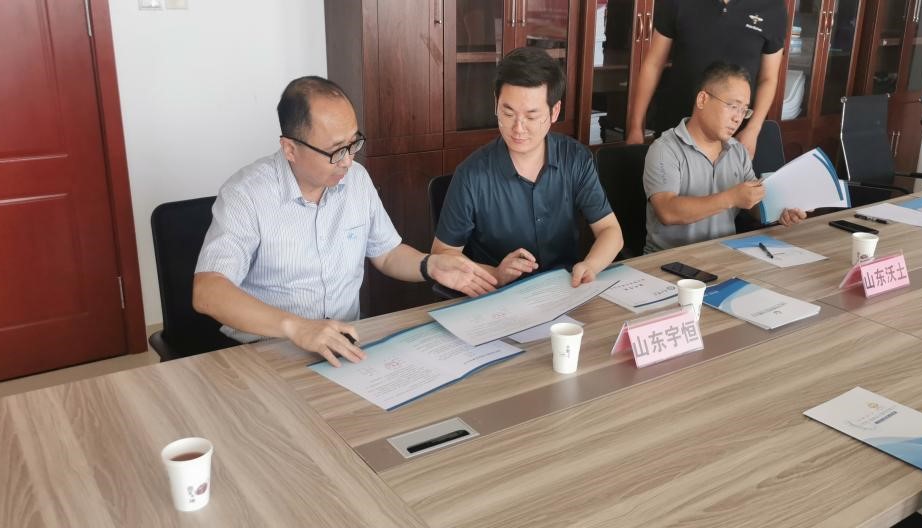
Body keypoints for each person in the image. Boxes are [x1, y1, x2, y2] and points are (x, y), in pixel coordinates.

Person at [193, 76, 496, 367]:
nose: (349, 161)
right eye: (337, 150)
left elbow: (387, 254)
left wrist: (429, 265)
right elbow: (207, 291)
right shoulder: (246, 195)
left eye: (354, 143)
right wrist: (296, 327)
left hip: (343, 347)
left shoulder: (356, 181)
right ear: (290, 149)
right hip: (263, 352)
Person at [432, 47, 623, 287]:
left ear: (555, 111)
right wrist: (496, 274)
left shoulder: (575, 159)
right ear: (496, 103)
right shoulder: (471, 175)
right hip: (500, 297)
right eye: (508, 113)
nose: (518, 128)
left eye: (531, 117)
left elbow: (610, 231)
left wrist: (591, 265)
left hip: (566, 289)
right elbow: (442, 255)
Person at [644, 62, 804, 253]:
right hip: (669, 260)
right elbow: (667, 211)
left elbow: (751, 204)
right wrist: (731, 198)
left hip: (724, 255)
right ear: (702, 99)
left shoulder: (737, 150)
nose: (738, 118)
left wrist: (779, 211)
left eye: (744, 110)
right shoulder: (665, 149)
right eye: (733, 106)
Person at [625, 0, 786, 157]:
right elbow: (653, 64)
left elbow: (768, 79)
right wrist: (635, 126)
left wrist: (753, 129)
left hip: (735, 135)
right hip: (677, 128)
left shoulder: (774, 6)